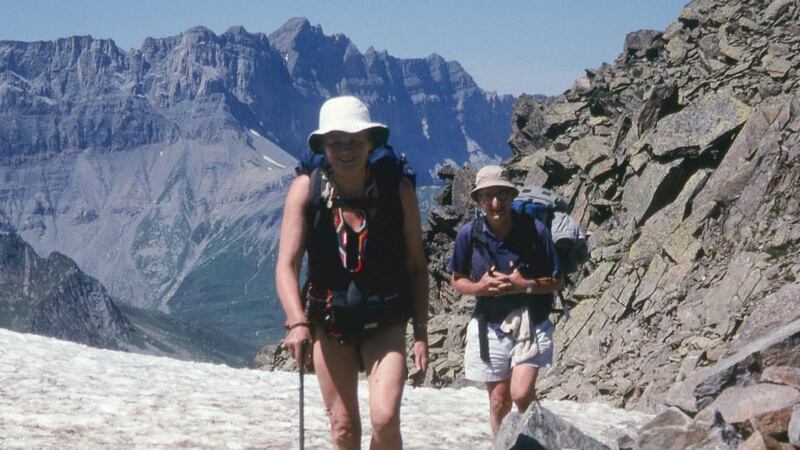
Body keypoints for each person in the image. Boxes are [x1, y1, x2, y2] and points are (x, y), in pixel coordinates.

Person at [276, 96, 429, 450]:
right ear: (323, 146)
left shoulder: (397, 191)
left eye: (354, 142)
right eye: (336, 143)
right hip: (329, 323)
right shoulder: (307, 190)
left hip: (385, 322)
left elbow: (417, 267)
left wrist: (420, 331)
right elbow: (286, 265)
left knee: (385, 419)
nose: (345, 150)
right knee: (343, 429)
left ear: (371, 143)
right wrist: (298, 321)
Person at [448, 165, 563, 435]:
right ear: (478, 201)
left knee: (521, 394)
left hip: (531, 323)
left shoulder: (535, 230)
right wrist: (480, 288)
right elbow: (457, 279)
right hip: (491, 324)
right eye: (488, 196)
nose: (495, 203)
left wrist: (525, 285)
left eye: (501, 194)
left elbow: (558, 281)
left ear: (512, 196)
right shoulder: (469, 234)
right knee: (499, 401)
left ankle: (541, 440)